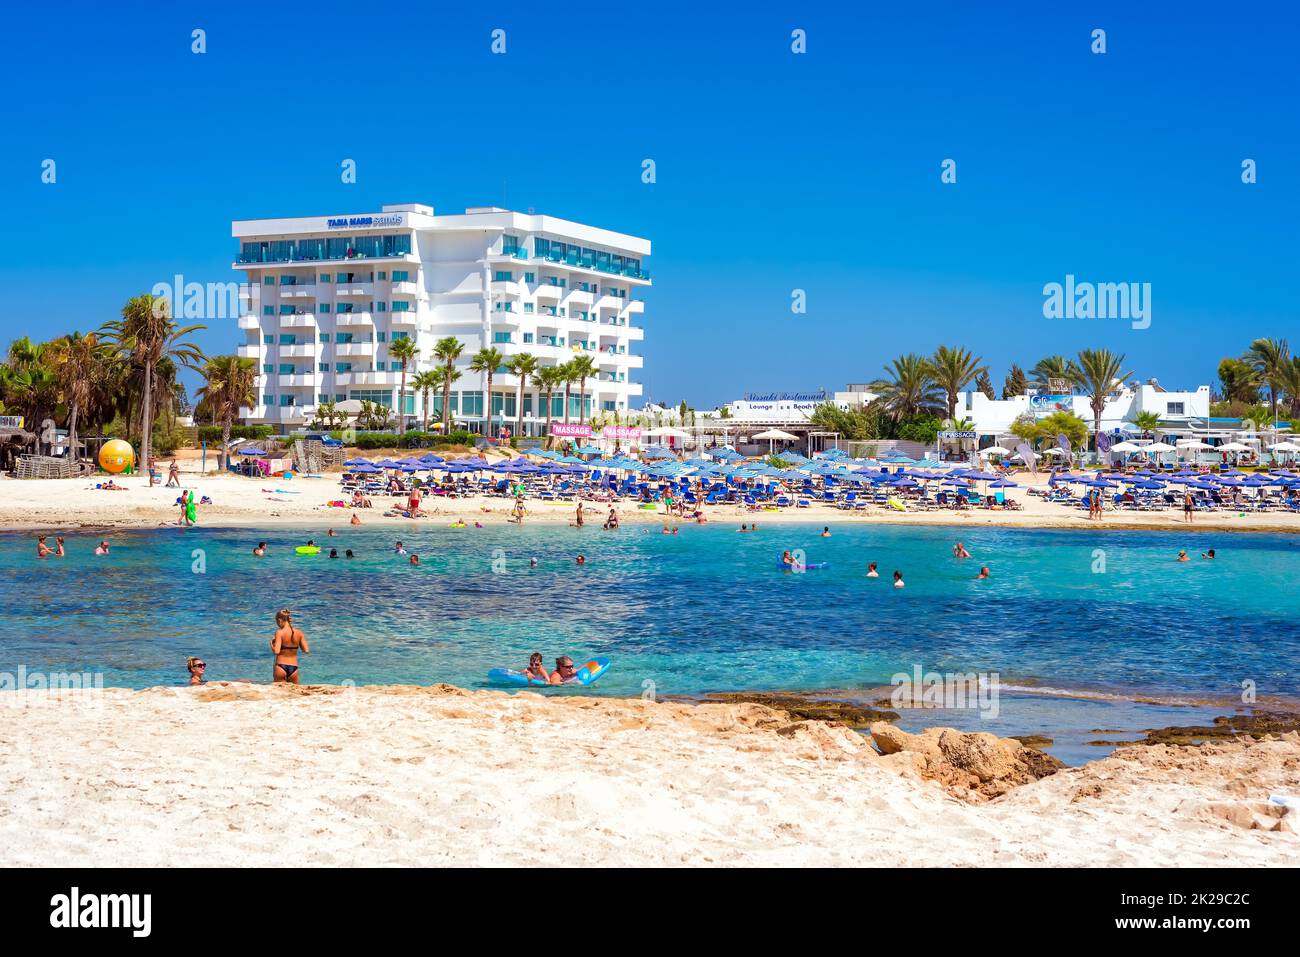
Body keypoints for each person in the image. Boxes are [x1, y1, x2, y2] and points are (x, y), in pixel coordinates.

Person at [271, 608, 308, 684]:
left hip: (281, 667)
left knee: (279, 693)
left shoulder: (279, 633)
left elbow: (277, 651)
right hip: (294, 668)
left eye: (276, 622)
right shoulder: (299, 633)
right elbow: (306, 650)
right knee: (295, 694)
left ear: (279, 620)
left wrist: (271, 644)